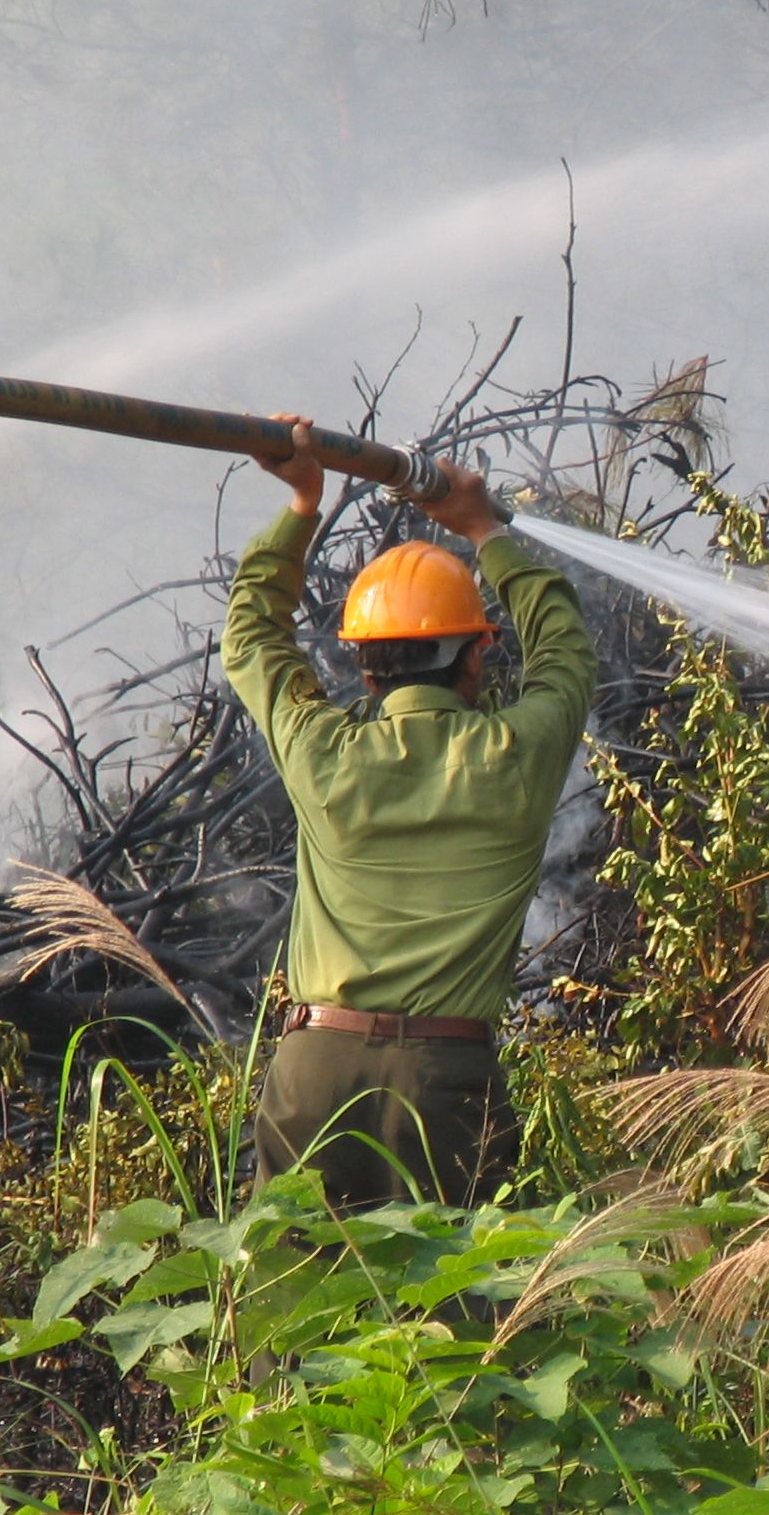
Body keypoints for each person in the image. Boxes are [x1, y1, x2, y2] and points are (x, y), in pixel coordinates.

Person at [219, 432, 595, 1207]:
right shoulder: (517, 755)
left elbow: (251, 637)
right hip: (443, 1079)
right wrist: (484, 529)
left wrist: (302, 504)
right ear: (476, 657)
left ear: (365, 668)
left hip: (315, 1072)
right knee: (454, 1281)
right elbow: (565, 652)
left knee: (293, 1278)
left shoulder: (323, 751)